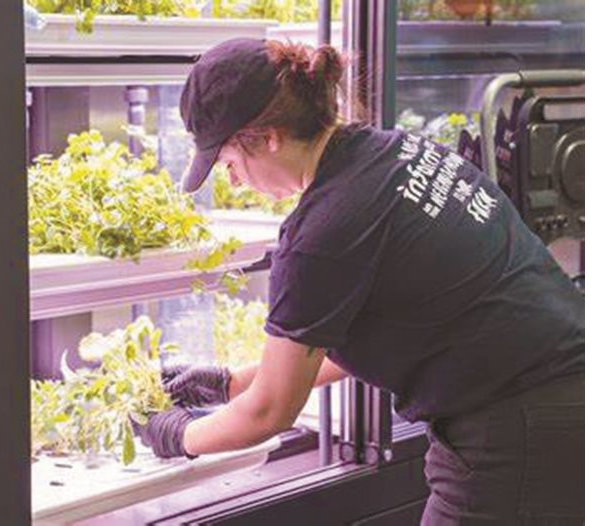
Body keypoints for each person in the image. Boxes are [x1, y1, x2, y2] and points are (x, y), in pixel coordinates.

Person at [132, 38, 584, 524]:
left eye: (228, 163)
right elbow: (389, 320)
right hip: (563, 398)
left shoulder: (322, 231)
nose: (235, 181)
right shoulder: (392, 152)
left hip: (515, 431)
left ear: (268, 138)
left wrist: (178, 436)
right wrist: (231, 383)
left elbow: (270, 413)